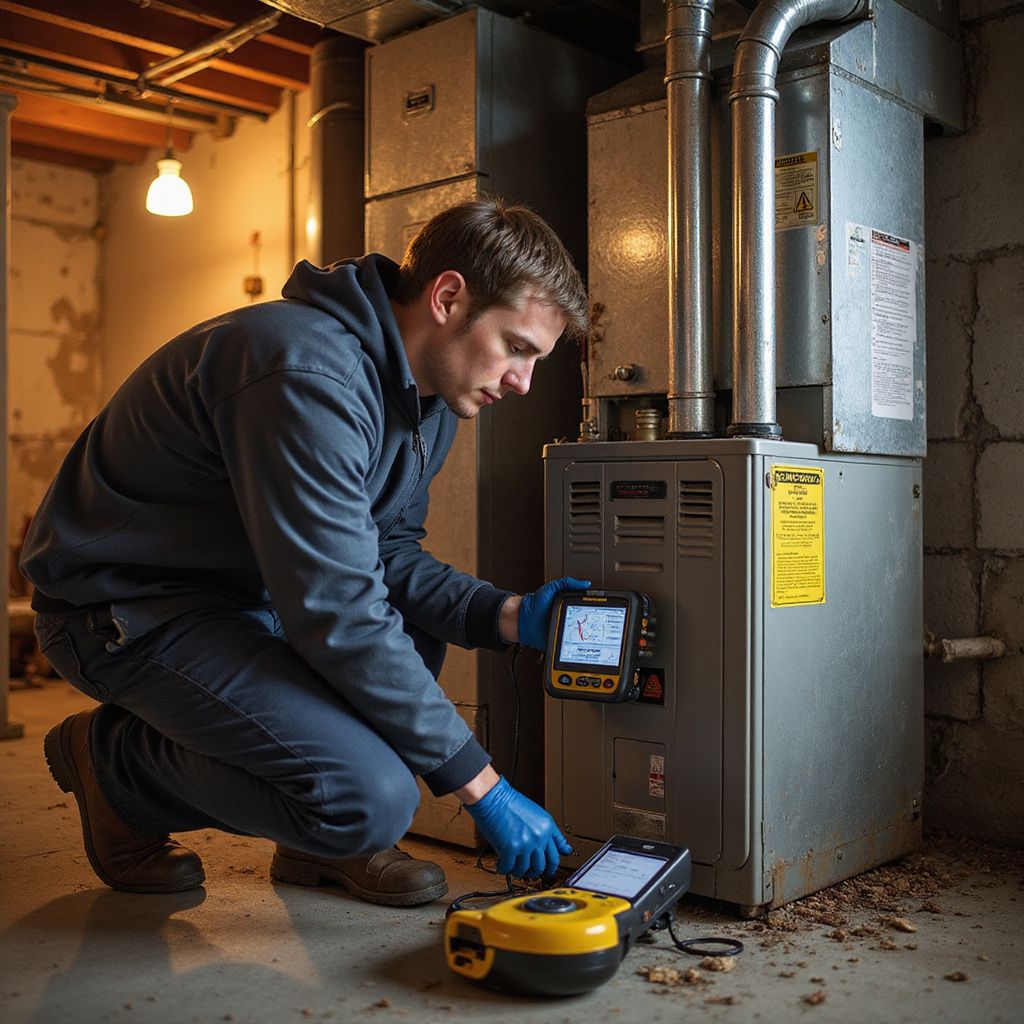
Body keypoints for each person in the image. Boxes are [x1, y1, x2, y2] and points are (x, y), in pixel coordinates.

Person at [20, 196, 591, 906]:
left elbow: (383, 554)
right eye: (517, 348)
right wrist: (484, 787)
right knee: (370, 799)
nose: (522, 382)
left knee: (414, 628)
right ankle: (115, 772)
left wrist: (506, 617)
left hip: (244, 601)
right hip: (126, 614)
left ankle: (315, 848)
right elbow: (338, 609)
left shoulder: (427, 400)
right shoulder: (303, 368)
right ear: (448, 297)